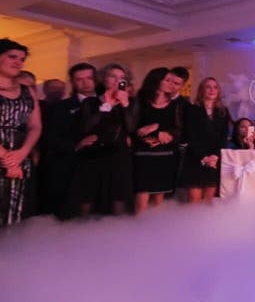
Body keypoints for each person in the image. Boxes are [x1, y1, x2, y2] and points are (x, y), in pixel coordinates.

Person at [70, 63, 133, 216]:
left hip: (119, 154)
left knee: (118, 197)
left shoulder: (132, 102)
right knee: (88, 197)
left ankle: (116, 235)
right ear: (103, 79)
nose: (117, 80)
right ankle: (84, 235)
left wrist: (124, 105)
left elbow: (131, 128)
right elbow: (86, 128)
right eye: (112, 76)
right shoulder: (90, 102)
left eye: (121, 78)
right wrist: (106, 105)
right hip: (94, 153)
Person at [41, 63, 96, 218]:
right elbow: (49, 137)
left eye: (89, 78)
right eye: (79, 79)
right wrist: (75, 146)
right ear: (72, 81)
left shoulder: (109, 103)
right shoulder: (60, 107)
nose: (85, 82)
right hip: (71, 167)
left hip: (103, 165)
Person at [0, 39, 42, 226]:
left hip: (20, 158)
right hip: (7, 158)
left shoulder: (28, 91)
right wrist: (7, 159)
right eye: (12, 57)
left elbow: (35, 126)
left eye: (22, 59)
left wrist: (22, 153)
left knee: (16, 213)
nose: (18, 62)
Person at [131, 68, 183, 214]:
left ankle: (156, 232)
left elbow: (179, 131)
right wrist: (149, 131)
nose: (171, 84)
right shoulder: (140, 101)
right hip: (144, 155)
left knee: (160, 197)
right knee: (142, 196)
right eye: (167, 80)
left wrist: (163, 134)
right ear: (156, 81)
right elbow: (132, 128)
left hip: (165, 154)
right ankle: (137, 232)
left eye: (173, 81)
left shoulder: (175, 105)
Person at [182, 77, 230, 203]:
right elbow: (190, 136)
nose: (212, 90)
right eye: (208, 87)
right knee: (194, 200)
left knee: (208, 202)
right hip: (195, 158)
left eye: (215, 87)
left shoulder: (223, 112)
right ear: (201, 90)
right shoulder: (191, 110)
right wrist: (204, 157)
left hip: (214, 161)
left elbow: (223, 138)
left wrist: (214, 156)